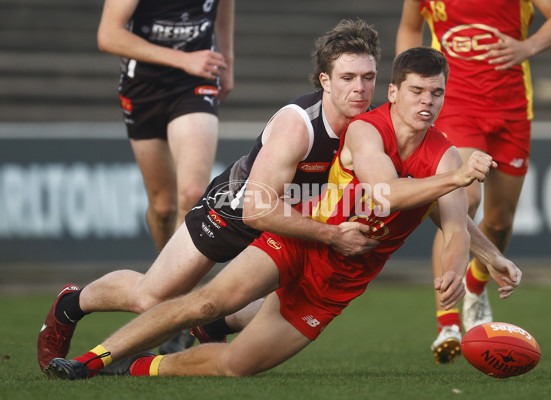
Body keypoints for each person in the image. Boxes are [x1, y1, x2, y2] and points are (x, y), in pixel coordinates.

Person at [43, 47, 522, 380]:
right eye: (418, 91)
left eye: (436, 94)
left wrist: (477, 260)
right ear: (394, 93)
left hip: (330, 260)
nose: (427, 102)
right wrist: (453, 180)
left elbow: (452, 221)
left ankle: (143, 363)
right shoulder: (349, 129)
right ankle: (90, 351)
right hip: (257, 216)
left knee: (238, 364)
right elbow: (384, 193)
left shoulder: (442, 156)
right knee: (177, 296)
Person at [37, 18, 383, 371]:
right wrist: (331, 234)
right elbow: (256, 210)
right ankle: (71, 304)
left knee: (279, 308)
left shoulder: (373, 126)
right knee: (152, 297)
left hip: (292, 222)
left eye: (368, 78)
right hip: (234, 210)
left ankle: (208, 326)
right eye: (347, 78)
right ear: (324, 81)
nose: (360, 88)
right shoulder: (299, 125)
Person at [396, 0, 551, 363]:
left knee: (499, 220)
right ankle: (447, 322)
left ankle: (477, 284)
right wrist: (408, 84)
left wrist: (528, 47)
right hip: (456, 107)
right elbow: (409, 26)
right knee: (463, 200)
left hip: (511, 109)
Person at [97, 0, 235, 252]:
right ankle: (165, 278)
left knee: (193, 193)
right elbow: (108, 35)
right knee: (162, 207)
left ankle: (174, 286)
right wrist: (182, 59)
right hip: (143, 87)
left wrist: (227, 55)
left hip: (195, 82)